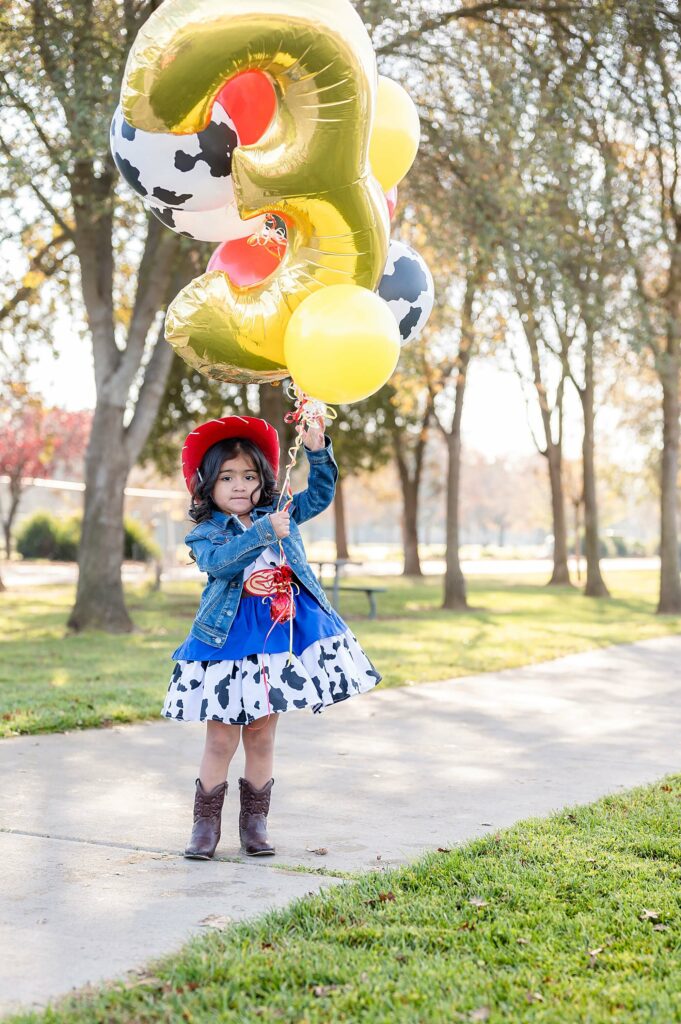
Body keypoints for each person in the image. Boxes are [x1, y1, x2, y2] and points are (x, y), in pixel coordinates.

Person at [161, 414, 381, 860]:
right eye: (227, 477)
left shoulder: (278, 511)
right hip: (227, 642)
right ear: (207, 485)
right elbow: (221, 564)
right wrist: (264, 532)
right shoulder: (204, 533)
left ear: (263, 480)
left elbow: (319, 495)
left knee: (261, 735)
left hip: (276, 638)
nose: (240, 485)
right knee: (221, 738)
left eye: (249, 475)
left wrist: (318, 449)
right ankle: (205, 829)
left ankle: (255, 826)